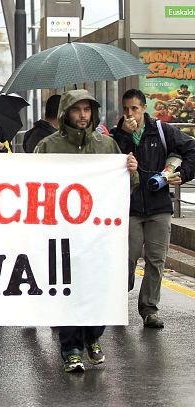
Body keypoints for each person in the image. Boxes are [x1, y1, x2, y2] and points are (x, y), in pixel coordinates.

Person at [34, 90, 138, 372]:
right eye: (77, 109)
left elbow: (125, 187)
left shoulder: (107, 145)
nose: (83, 115)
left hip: (98, 234)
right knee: (68, 290)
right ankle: (70, 348)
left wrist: (131, 171)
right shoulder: (48, 146)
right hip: (63, 233)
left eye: (87, 110)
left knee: (98, 288)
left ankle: (93, 338)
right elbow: (32, 184)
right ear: (66, 112)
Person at [111, 89, 195, 329]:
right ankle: (115, 302)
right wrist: (125, 136)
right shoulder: (116, 135)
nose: (130, 114)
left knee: (156, 260)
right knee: (126, 258)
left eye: (134, 109)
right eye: (126, 109)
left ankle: (149, 309)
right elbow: (108, 157)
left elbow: (191, 148)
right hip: (129, 208)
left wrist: (184, 173)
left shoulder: (160, 130)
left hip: (159, 206)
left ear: (144, 108)